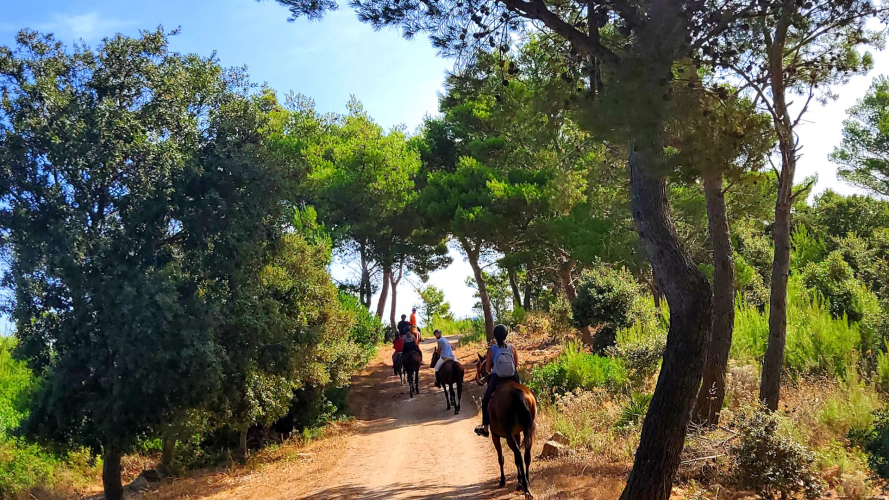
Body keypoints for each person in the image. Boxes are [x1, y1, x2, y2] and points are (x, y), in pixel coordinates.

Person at [474, 324, 520, 438]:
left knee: (485, 401)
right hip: (512, 376)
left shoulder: (491, 350)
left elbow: (488, 369)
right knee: (523, 394)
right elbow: (516, 365)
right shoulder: (512, 348)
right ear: (506, 335)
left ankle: (485, 428)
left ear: (495, 336)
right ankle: (529, 420)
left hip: (497, 377)